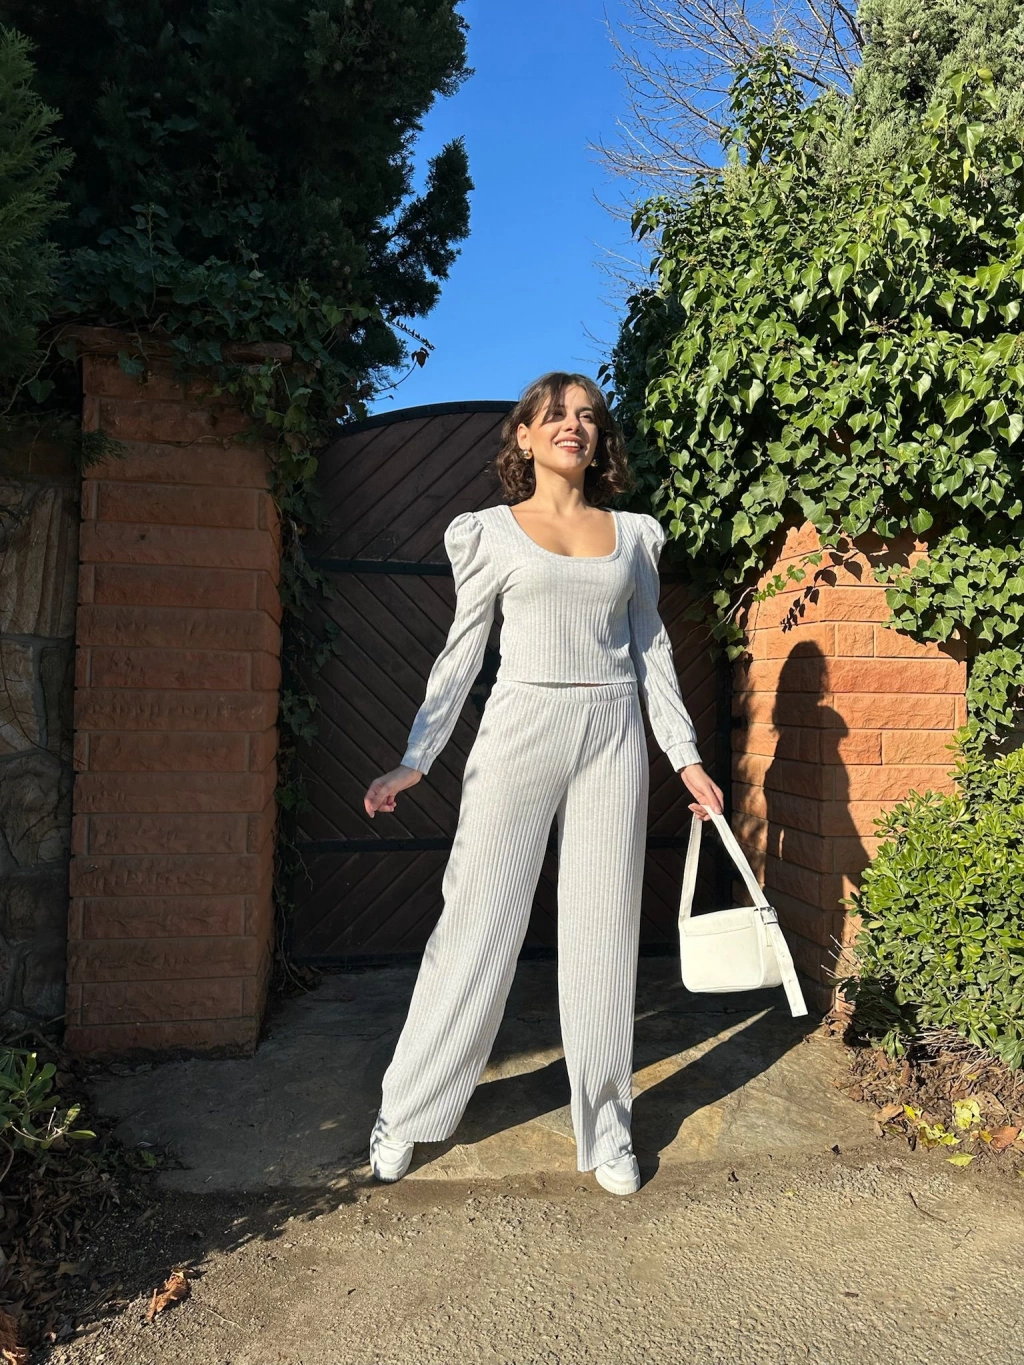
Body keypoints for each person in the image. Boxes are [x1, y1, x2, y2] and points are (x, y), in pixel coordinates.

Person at [361, 371, 724, 1195]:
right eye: (555, 414)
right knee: (476, 924)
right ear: (523, 436)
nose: (574, 425)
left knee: (603, 934)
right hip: (521, 726)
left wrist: (685, 753)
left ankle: (608, 1126)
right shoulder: (489, 532)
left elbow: (652, 650)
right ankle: (406, 1109)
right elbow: (462, 652)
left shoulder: (632, 536)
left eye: (587, 415)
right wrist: (417, 756)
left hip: (612, 732)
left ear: (599, 439)